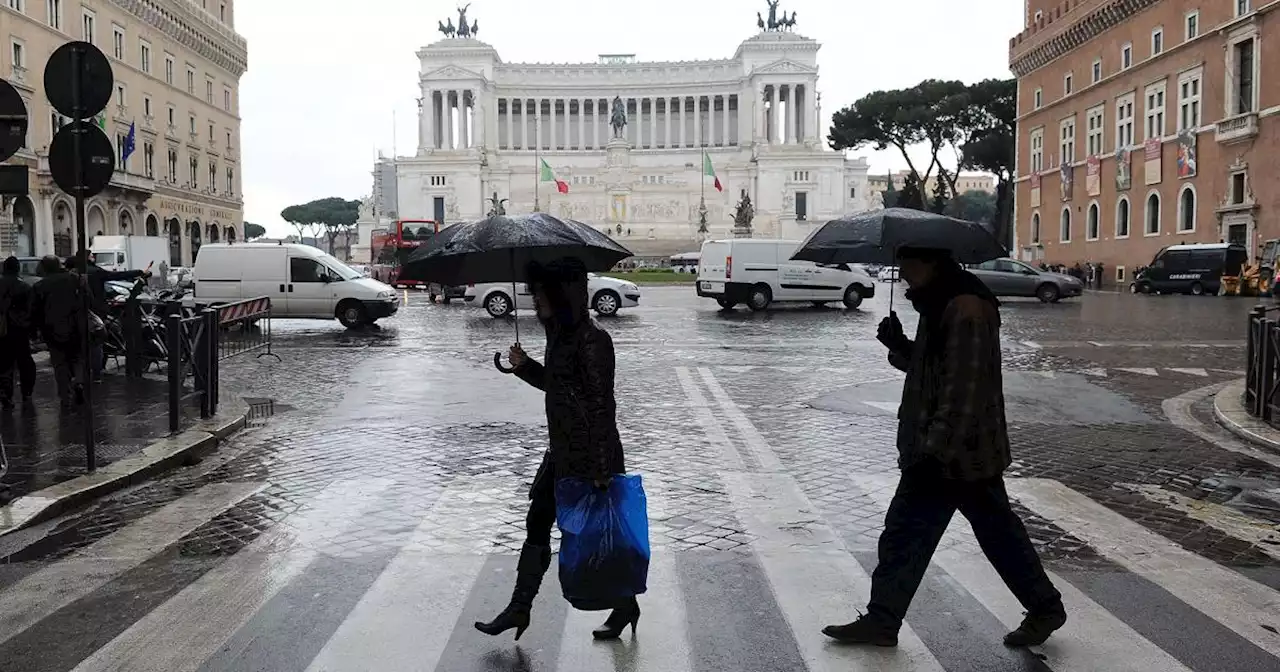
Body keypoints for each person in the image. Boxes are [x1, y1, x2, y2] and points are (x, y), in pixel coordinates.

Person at [823, 247, 1067, 648]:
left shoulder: (967, 309)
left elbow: (963, 391)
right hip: (956, 451)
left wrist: (931, 450)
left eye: (909, 265)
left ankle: (883, 620)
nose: (903, 274)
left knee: (907, 533)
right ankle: (1044, 607)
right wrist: (899, 344)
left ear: (932, 263)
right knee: (995, 535)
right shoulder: (943, 303)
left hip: (954, 453)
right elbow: (931, 369)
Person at [474, 258, 638, 642]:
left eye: (541, 293)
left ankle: (626, 603)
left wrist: (600, 471)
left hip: (592, 458)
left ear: (563, 294)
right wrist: (524, 366)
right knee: (537, 523)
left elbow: (600, 407)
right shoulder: (561, 334)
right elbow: (559, 386)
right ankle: (519, 608)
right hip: (561, 452)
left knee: (599, 537)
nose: (535, 301)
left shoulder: (593, 339)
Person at [31, 255, 86, 408]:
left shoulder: (41, 286)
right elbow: (87, 299)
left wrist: (34, 332)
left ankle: (65, 395)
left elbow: (35, 311)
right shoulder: (74, 279)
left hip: (52, 330)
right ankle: (79, 382)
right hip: (76, 326)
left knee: (60, 363)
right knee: (77, 358)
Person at [0, 256, 36, 409]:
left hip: (2, 330)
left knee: (4, 362)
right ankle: (26, 392)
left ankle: (5, 391)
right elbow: (31, 310)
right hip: (19, 329)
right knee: (25, 361)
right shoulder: (25, 287)